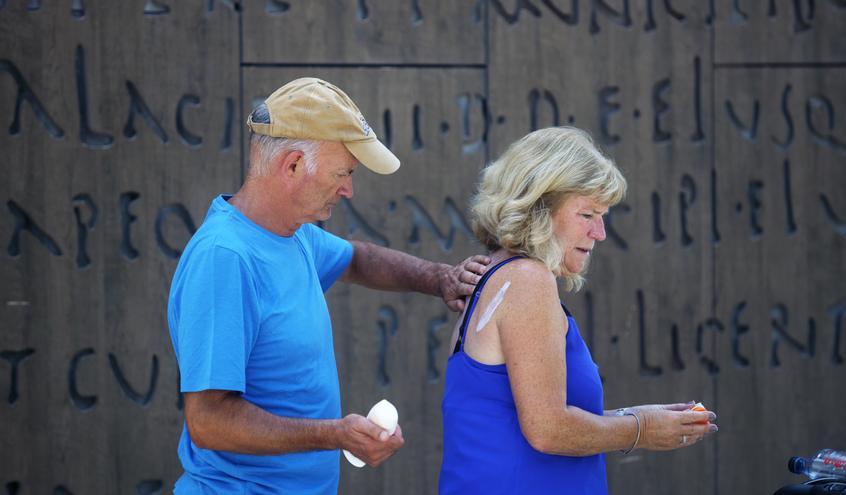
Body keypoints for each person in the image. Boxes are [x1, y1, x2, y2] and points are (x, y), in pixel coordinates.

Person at [167, 77, 490, 494]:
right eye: (343, 173)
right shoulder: (225, 259)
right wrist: (335, 434)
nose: (348, 190)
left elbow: (358, 258)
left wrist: (440, 278)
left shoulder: (292, 233)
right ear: (294, 165)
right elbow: (208, 421)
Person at [439, 127, 718, 494]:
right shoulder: (528, 279)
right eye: (587, 214)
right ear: (539, 208)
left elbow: (518, 420)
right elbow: (547, 430)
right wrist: (641, 429)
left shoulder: (498, 277)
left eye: (602, 215)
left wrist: (638, 417)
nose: (600, 233)